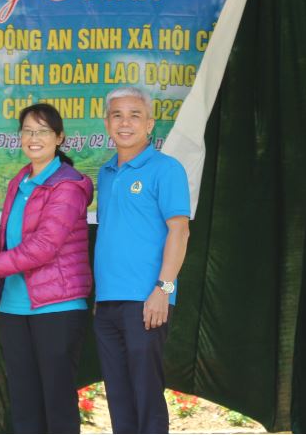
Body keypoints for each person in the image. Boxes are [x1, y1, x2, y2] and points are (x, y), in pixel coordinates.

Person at [0, 103, 93, 434]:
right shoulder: (20, 182)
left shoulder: (68, 186)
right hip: (14, 307)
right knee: (24, 404)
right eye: (28, 131)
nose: (34, 138)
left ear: (59, 137)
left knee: (57, 406)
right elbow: (12, 245)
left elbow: (44, 247)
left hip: (57, 308)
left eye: (43, 131)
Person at [93, 87, 191, 434]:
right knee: (119, 398)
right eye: (117, 115)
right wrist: (101, 297)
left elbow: (180, 231)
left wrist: (163, 289)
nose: (125, 123)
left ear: (150, 124)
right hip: (107, 303)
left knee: (146, 395)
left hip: (147, 300)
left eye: (135, 116)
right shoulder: (105, 173)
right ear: (107, 124)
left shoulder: (166, 169)